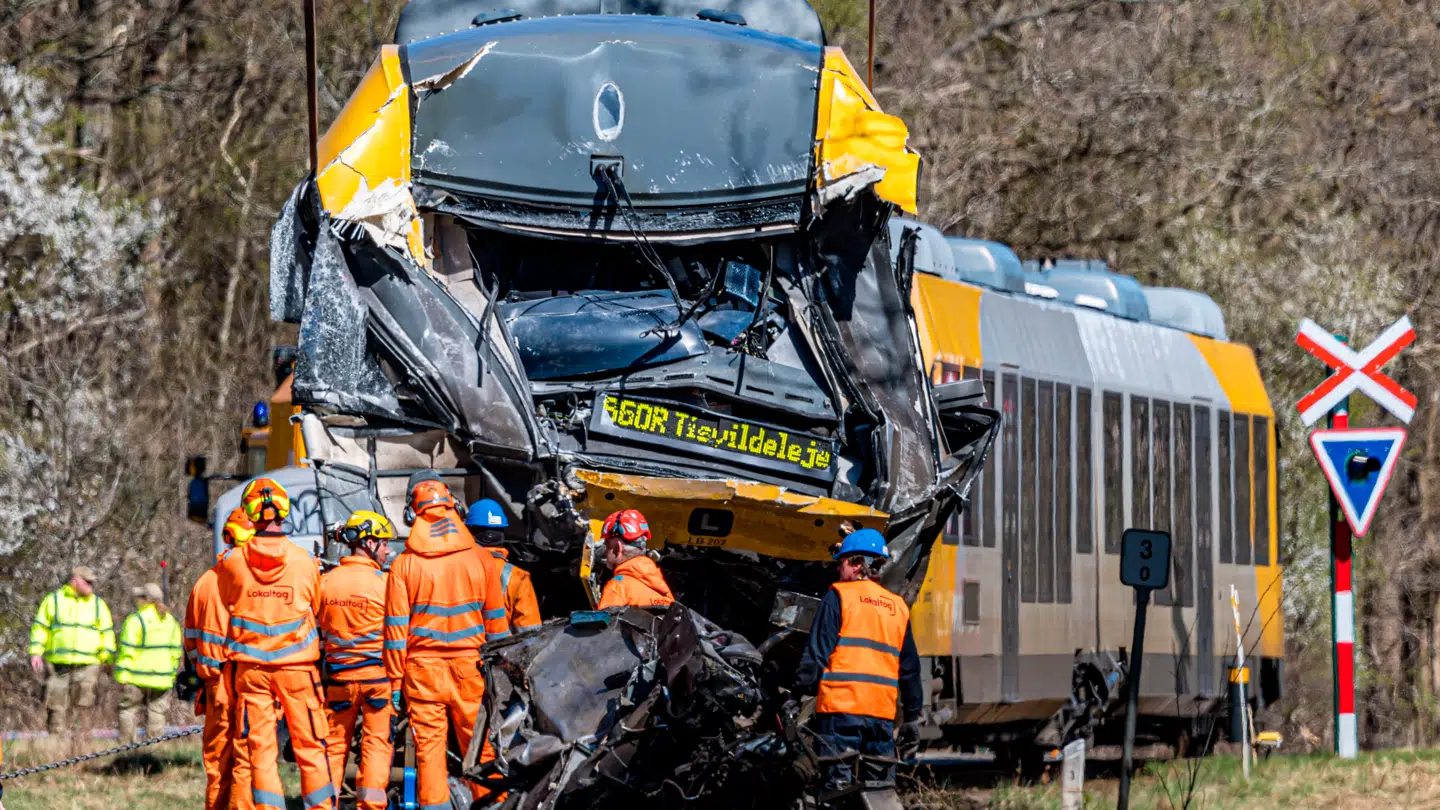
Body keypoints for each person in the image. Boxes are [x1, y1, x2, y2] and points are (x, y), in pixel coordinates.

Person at [384, 474, 509, 810]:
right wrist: (503, 672)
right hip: (471, 670)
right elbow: (497, 625)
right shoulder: (481, 559)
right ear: (453, 506)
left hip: (422, 673)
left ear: (413, 514)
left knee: (430, 755)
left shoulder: (404, 565)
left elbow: (395, 635)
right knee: (481, 749)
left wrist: (395, 683)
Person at [216, 477, 335, 810]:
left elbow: (228, 602)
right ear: (284, 511)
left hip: (251, 672)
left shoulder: (232, 563)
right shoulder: (305, 564)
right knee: (311, 748)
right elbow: (319, 610)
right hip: (299, 672)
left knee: (261, 751)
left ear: (250, 514)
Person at [795, 528, 923, 791]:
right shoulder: (897, 606)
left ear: (855, 564)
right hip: (881, 717)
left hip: (841, 713)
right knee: (878, 790)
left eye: (840, 563)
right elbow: (909, 668)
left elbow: (817, 653)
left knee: (836, 792)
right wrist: (912, 716)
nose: (838, 571)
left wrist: (798, 694)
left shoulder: (839, 597)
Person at [319, 510, 394, 810]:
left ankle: (323, 804)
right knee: (376, 745)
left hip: (338, 679)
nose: (388, 549)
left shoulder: (326, 582)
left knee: (333, 746)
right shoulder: (386, 584)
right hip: (378, 681)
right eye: (385, 542)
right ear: (369, 542)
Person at [184, 507, 251, 810]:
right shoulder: (257, 583)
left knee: (217, 763)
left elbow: (190, 643)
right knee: (247, 758)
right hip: (250, 682)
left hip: (215, 685)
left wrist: (205, 670)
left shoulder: (204, 583)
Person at [29, 565, 116, 736]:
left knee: (83, 706)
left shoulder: (98, 604)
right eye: (88, 582)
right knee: (55, 707)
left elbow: (107, 632)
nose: (91, 586)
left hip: (88, 665)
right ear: (75, 581)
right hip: (58, 665)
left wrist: (106, 656)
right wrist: (36, 652)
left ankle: (80, 746)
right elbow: (40, 628)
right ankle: (57, 747)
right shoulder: (53, 600)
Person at [115, 582, 183, 741]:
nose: (136, 599)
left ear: (146, 599)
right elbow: (175, 652)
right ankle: (153, 749)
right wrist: (171, 672)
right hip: (162, 678)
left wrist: (122, 676)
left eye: (140, 596)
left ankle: (126, 748)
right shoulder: (170, 621)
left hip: (135, 677)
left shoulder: (135, 620)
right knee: (157, 714)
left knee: (128, 711)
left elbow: (127, 651)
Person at [465, 498, 542, 632]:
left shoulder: (454, 569)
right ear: (502, 534)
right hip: (501, 650)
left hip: (461, 649)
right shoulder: (518, 577)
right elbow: (530, 633)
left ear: (469, 531)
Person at [596, 509, 674, 610]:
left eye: (607, 547)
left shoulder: (617, 589)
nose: (606, 553)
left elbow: (605, 625)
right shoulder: (664, 592)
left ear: (617, 549)